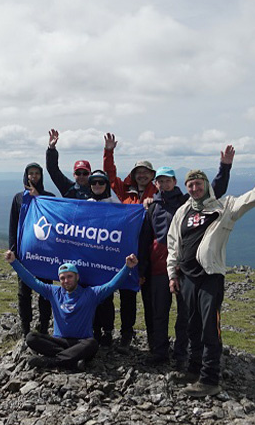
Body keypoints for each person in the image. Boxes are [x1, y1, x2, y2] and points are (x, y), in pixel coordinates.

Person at [166, 151, 255, 397]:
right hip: (186, 277)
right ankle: (193, 370)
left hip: (210, 276)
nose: (194, 188)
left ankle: (209, 380)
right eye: (190, 185)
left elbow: (254, 197)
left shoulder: (225, 207)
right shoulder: (183, 211)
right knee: (191, 327)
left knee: (209, 328)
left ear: (206, 185)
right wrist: (172, 274)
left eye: (198, 184)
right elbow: (173, 243)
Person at [138, 148, 234, 367]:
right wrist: (142, 270)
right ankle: (159, 351)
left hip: (183, 270)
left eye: (167, 180)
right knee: (159, 314)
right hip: (158, 269)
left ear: (174, 182)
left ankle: (181, 355)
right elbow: (145, 240)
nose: (164, 184)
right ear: (156, 184)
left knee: (184, 316)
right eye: (160, 181)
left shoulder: (185, 202)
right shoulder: (152, 207)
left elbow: (215, 190)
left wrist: (225, 167)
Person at [6, 249, 139, 370]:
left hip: (81, 342)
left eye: (69, 276)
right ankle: (72, 360)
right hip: (59, 341)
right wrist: (14, 262)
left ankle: (51, 362)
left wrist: (127, 267)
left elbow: (112, 285)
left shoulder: (91, 294)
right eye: (62, 278)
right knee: (31, 337)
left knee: (92, 344)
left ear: (77, 277)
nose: (66, 280)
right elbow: (32, 281)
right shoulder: (53, 292)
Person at [100, 133, 161, 348]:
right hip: (118, 248)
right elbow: (108, 175)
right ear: (133, 175)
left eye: (146, 173)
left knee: (129, 294)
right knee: (114, 290)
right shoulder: (123, 189)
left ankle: (128, 333)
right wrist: (108, 151)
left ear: (152, 175)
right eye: (139, 172)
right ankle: (109, 331)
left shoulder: (159, 191)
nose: (142, 176)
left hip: (143, 251)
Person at [8, 163, 55, 336]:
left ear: (41, 176)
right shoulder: (18, 198)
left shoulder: (49, 197)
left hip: (44, 254)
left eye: (37, 173)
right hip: (24, 253)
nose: (33, 176)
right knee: (24, 293)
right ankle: (25, 327)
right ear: (26, 176)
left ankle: (43, 326)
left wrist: (38, 198)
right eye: (30, 173)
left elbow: (54, 219)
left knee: (45, 291)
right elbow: (13, 225)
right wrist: (12, 249)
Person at [84, 169, 119, 346]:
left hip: (106, 259)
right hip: (88, 259)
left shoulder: (115, 204)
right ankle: (93, 330)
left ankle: (107, 331)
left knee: (106, 297)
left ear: (107, 185)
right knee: (90, 296)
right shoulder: (85, 204)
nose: (97, 185)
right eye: (94, 182)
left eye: (101, 182)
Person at [45, 129, 92, 200]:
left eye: (85, 173)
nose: (81, 176)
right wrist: (51, 148)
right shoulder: (67, 188)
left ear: (90, 174)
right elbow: (53, 170)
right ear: (74, 174)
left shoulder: (98, 189)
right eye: (78, 173)